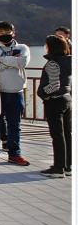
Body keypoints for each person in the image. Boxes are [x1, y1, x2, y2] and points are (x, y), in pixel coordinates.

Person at [0, 21, 30, 167]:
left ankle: (15, 154)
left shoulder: (22, 47)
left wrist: (1, 60)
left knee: (15, 124)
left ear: (13, 32)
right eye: (1, 33)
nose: (5, 35)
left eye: (7, 32)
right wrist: (12, 61)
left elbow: (23, 63)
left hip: (16, 91)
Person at [38, 35, 72, 178]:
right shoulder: (69, 61)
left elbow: (54, 85)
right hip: (67, 99)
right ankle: (68, 166)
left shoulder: (53, 63)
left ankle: (58, 168)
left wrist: (42, 92)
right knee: (67, 133)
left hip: (54, 101)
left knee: (57, 135)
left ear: (50, 47)